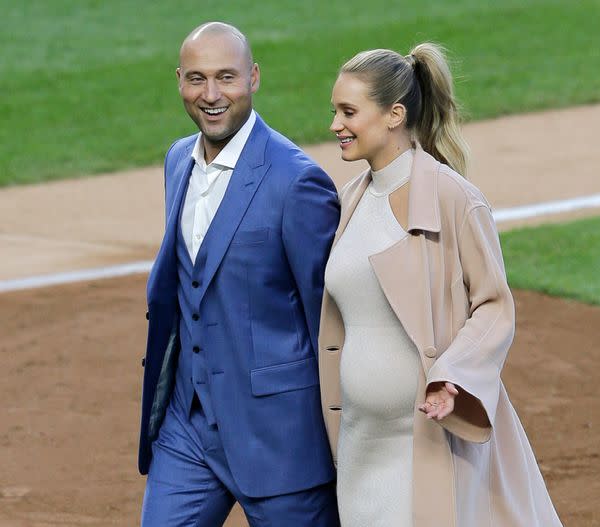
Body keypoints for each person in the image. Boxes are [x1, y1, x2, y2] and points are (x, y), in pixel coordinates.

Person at [319, 43, 563, 526]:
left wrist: (454, 375)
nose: (335, 126)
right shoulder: (349, 200)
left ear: (394, 115)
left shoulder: (454, 199)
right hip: (359, 442)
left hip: (426, 442)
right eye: (334, 111)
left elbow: (494, 305)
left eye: (348, 112)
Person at [138, 22, 341, 527]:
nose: (210, 95)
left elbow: (331, 321)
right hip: (188, 426)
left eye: (226, 78)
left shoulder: (297, 183)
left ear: (253, 78)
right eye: (196, 79)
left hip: (278, 440)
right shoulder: (177, 161)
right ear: (179, 80)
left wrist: (346, 436)